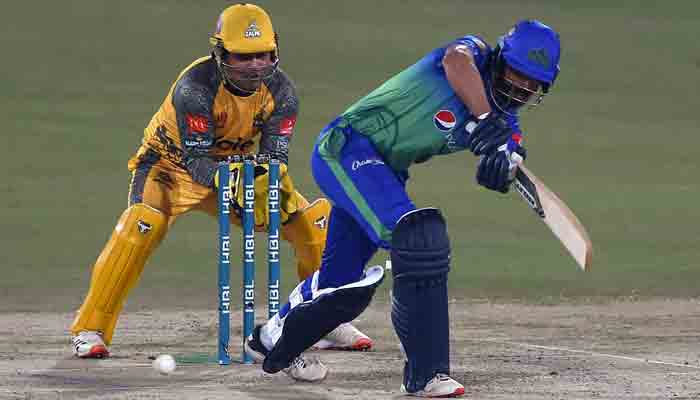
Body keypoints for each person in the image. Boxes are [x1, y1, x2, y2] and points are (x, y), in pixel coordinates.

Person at [243, 20, 562, 395]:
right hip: (346, 148)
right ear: (499, 57)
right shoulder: (472, 55)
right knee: (418, 239)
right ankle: (427, 374)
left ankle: (269, 337)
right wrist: (484, 119)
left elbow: (508, 154)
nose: (521, 88)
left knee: (340, 279)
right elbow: (455, 61)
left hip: (385, 172)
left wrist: (500, 166)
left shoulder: (506, 123)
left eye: (533, 84)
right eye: (517, 74)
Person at [70, 3, 373, 370]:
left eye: (262, 56)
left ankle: (325, 322)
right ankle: (91, 329)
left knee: (314, 220)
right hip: (169, 168)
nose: (255, 66)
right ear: (221, 53)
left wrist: (267, 182)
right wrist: (236, 181)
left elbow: (275, 157)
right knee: (141, 224)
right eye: (243, 57)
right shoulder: (195, 88)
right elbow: (197, 162)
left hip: (235, 172)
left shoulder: (282, 93)